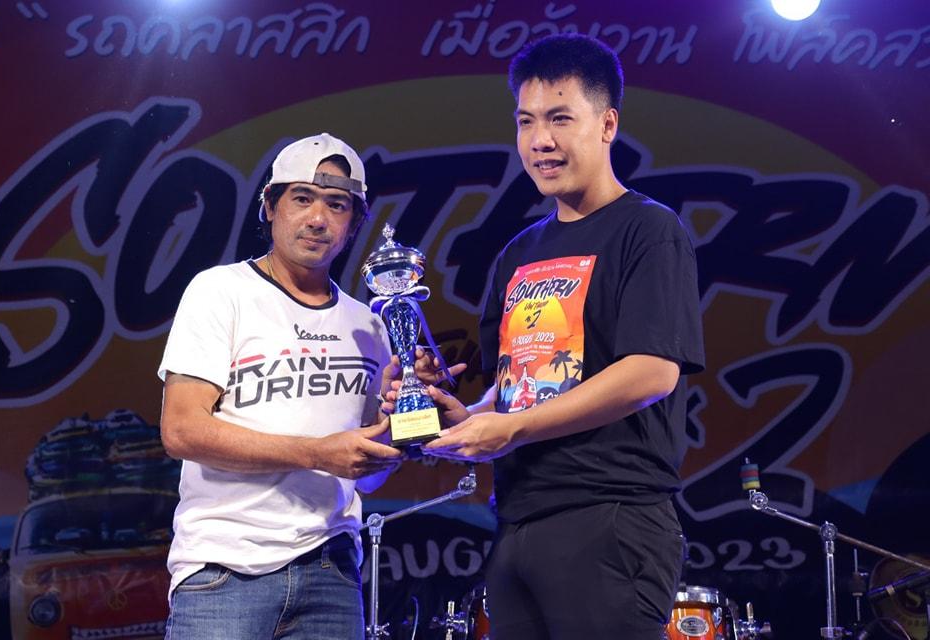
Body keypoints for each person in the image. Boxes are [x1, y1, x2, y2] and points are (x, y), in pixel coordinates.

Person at [423, 34, 706, 639]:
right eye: (525, 121)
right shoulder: (517, 253)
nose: (539, 140)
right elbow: (516, 390)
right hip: (518, 520)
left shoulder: (648, 230)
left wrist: (513, 428)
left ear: (607, 125)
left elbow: (652, 372)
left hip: (610, 518)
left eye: (559, 118)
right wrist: (466, 417)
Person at [157, 133, 405, 640]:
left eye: (336, 205)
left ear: (355, 223)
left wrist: (395, 430)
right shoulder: (221, 291)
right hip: (224, 568)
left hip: (331, 570)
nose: (317, 218)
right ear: (270, 206)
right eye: (302, 198)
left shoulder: (370, 324)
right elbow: (181, 431)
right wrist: (316, 453)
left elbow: (366, 478)